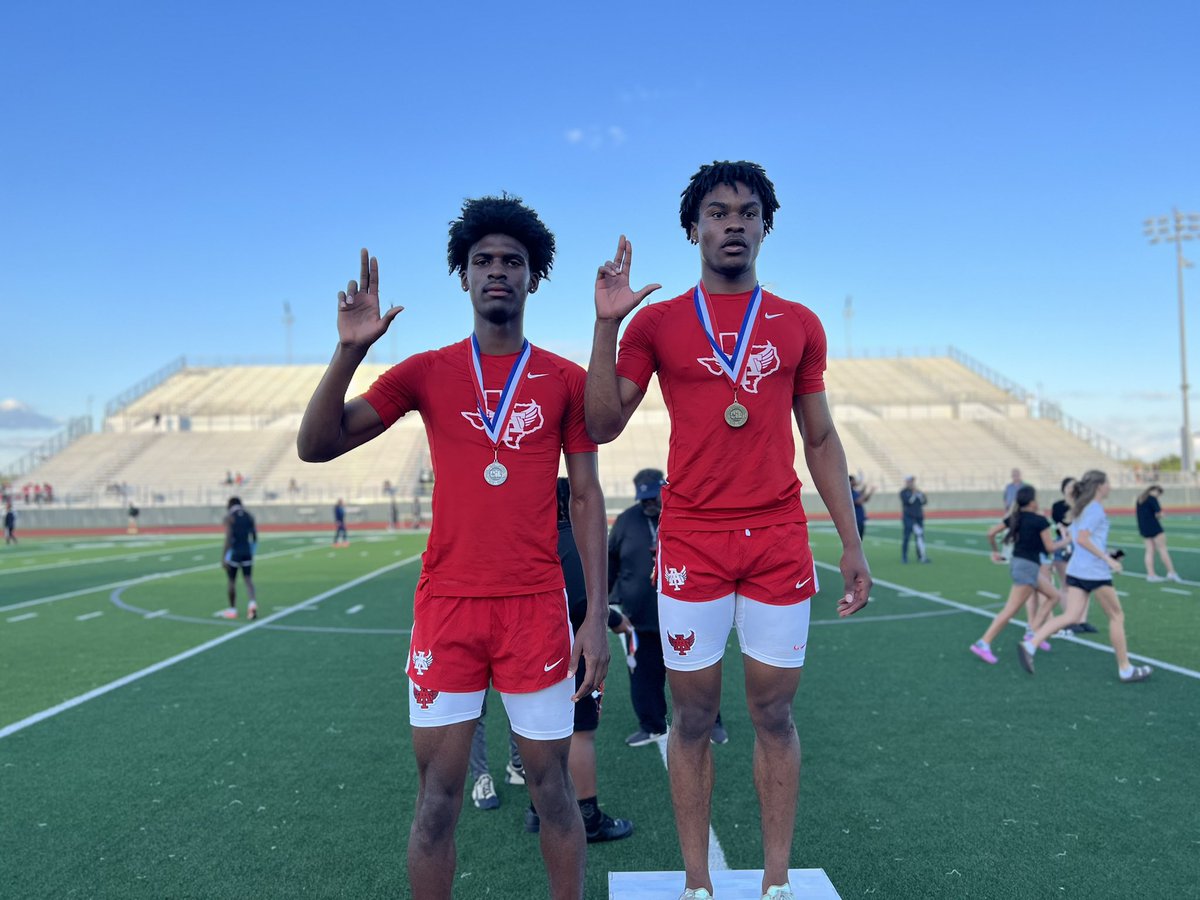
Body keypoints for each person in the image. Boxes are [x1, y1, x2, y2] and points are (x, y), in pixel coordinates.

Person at [296, 195, 610, 900]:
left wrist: (594, 617)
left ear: (533, 278)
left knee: (555, 792)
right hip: (449, 609)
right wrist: (348, 352)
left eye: (512, 262)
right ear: (463, 277)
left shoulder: (564, 379)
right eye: (483, 262)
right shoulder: (426, 372)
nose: (497, 272)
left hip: (536, 608)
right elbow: (316, 446)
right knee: (436, 800)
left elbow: (586, 498)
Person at [585, 160, 872, 900]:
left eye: (748, 212)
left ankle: (777, 882)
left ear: (766, 227)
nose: (734, 222)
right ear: (694, 229)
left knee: (774, 712)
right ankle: (697, 882)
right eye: (718, 212)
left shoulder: (799, 324)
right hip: (691, 540)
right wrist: (606, 325)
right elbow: (603, 423)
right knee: (693, 715)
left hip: (777, 536)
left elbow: (821, 438)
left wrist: (851, 540)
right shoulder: (657, 322)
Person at [524, 477, 634, 842]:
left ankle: (539, 807)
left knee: (537, 732)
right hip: (569, 648)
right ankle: (587, 815)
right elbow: (582, 602)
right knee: (581, 734)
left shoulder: (527, 537)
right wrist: (615, 620)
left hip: (527, 647)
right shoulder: (574, 540)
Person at [1017, 470, 1152, 683]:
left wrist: (1107, 553)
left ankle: (1031, 644)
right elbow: (1082, 539)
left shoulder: (1081, 508)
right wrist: (1107, 560)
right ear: (1099, 486)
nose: (1110, 486)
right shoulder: (1095, 509)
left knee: (1071, 616)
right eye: (1107, 482)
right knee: (1117, 617)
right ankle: (1125, 668)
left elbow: (1085, 540)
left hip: (1077, 570)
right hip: (1093, 572)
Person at [969, 486, 1069, 663]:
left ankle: (1033, 632)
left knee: (1054, 596)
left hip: (1020, 564)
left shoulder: (1015, 517)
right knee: (1010, 610)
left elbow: (991, 533)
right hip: (1027, 568)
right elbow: (1050, 548)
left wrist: (994, 551)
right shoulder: (1040, 521)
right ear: (1032, 502)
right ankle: (983, 643)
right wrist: (1068, 539)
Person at [221, 497, 258, 620]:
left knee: (232, 581)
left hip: (234, 552)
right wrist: (251, 550)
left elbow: (228, 538)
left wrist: (224, 556)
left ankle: (232, 609)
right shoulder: (249, 516)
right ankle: (252, 603)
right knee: (248, 579)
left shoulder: (230, 517)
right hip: (247, 551)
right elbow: (254, 536)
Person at [1137, 485, 1181, 583]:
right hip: (1154, 527)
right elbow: (1158, 514)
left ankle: (1151, 575)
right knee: (1163, 549)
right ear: (1155, 491)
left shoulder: (1140, 498)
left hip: (1144, 527)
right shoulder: (1152, 499)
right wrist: (1163, 515)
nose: (1158, 495)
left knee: (1149, 551)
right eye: (1159, 493)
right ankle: (1171, 573)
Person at [899, 476, 929, 563]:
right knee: (906, 537)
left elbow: (924, 502)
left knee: (920, 537)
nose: (911, 483)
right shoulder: (903, 492)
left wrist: (922, 496)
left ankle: (921, 556)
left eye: (912, 482)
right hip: (908, 517)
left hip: (918, 517)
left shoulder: (918, 492)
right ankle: (904, 557)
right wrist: (913, 494)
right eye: (909, 482)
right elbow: (908, 502)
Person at [848, 474, 875, 539]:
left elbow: (865, 499)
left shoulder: (854, 491)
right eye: (854, 480)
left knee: (860, 540)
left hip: (860, 519)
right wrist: (868, 491)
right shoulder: (848, 492)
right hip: (855, 520)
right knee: (855, 540)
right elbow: (858, 501)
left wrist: (869, 491)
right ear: (850, 482)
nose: (855, 482)